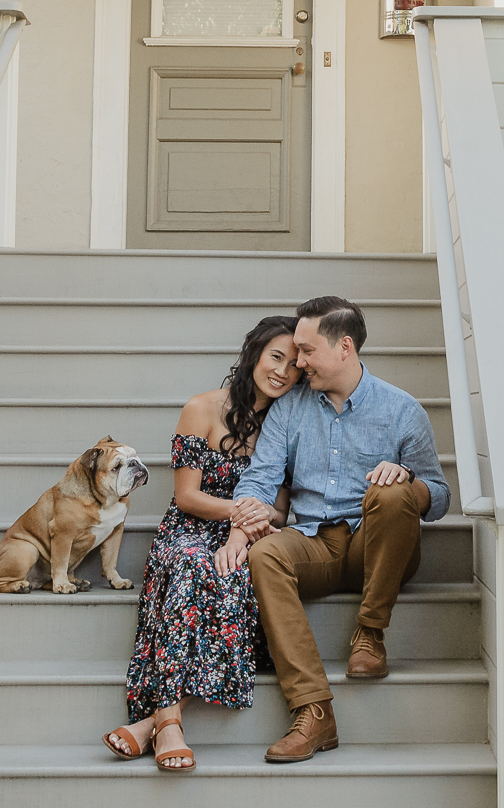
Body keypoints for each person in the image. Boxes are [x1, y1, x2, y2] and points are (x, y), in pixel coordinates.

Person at [230, 295, 450, 764]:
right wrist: (249, 510)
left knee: (393, 492)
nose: (298, 362)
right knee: (264, 554)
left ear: (344, 347)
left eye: (307, 351)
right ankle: (314, 711)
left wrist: (408, 481)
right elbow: (261, 474)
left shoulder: (402, 410)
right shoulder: (290, 408)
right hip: (314, 542)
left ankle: (370, 634)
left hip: (378, 546)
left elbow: (440, 496)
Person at [103, 314, 298, 773]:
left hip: (252, 534)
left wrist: (253, 521)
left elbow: (282, 508)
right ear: (254, 351)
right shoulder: (201, 408)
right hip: (191, 526)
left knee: (232, 573)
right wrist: (240, 511)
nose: (283, 371)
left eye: (294, 364)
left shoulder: (288, 421)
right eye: (276, 357)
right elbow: (186, 496)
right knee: (192, 564)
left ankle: (153, 724)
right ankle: (169, 723)